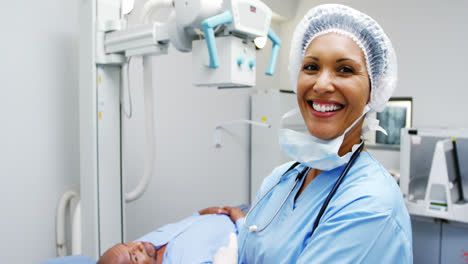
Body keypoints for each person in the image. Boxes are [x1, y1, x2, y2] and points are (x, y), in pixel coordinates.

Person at [218, 4, 412, 263]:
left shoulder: (372, 205)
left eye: (345, 69)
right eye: (311, 67)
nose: (321, 84)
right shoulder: (279, 180)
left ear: (373, 91)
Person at [98, 206, 247, 264]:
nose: (138, 244)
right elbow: (249, 254)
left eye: (126, 244)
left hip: (230, 213)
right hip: (250, 229)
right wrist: (241, 220)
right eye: (135, 257)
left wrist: (200, 214)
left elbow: (180, 231)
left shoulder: (146, 246)